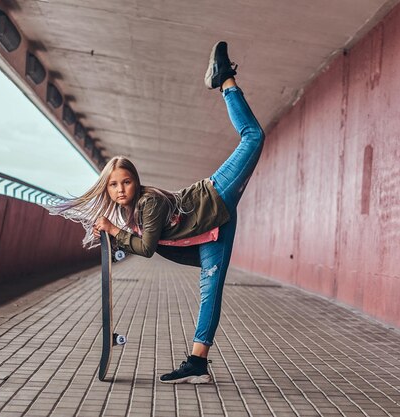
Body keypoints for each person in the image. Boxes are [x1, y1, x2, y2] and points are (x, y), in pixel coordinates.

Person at [48, 41, 264, 384]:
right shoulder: (133, 211)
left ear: (137, 181)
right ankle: (197, 363)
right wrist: (112, 230)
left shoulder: (147, 203)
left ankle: (224, 81)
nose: (121, 189)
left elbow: (146, 248)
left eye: (127, 182)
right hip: (214, 227)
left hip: (212, 196)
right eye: (114, 185)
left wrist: (115, 231)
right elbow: (148, 242)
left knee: (252, 137)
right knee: (211, 289)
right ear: (108, 189)